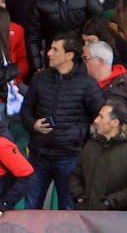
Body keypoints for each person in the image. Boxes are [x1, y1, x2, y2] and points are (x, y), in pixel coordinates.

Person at [22, 33, 103, 209]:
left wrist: (81, 142)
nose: (49, 53)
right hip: (39, 155)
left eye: (54, 49)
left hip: (70, 157)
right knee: (30, 208)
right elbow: (26, 111)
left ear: (69, 55)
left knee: (68, 210)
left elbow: (98, 119)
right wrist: (33, 125)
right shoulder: (40, 78)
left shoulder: (87, 84)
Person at [27, 0, 102, 72]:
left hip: (81, 48)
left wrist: (88, 35)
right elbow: (33, 35)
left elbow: (98, 16)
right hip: (54, 51)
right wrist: (37, 64)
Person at [69, 103, 127, 211]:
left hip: (115, 219)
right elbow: (75, 175)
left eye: (101, 117)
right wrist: (80, 196)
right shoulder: (90, 145)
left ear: (115, 122)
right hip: (85, 214)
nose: (96, 120)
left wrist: (109, 203)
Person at [85, 40, 127, 149]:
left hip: (121, 150)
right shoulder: (84, 84)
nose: (83, 63)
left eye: (86, 59)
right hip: (91, 149)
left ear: (100, 61)